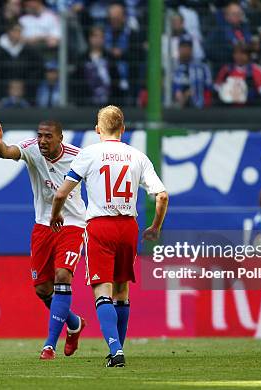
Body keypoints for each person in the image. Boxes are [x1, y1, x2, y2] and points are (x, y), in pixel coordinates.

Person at [50, 105, 168, 367]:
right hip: (128, 226)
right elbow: (162, 195)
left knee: (101, 289)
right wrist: (155, 227)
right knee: (122, 289)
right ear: (123, 129)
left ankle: (115, 351)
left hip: (100, 226)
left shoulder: (89, 154)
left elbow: (61, 193)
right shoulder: (137, 156)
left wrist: (56, 215)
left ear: (97, 129)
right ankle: (118, 349)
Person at [0, 120, 87, 360]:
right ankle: (74, 324)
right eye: (40, 135)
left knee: (63, 275)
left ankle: (49, 345)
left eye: (48, 137)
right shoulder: (32, 148)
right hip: (43, 226)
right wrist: (0, 144)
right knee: (43, 289)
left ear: (60, 138)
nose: (42, 140)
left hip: (72, 224)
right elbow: (8, 152)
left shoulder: (80, 156)